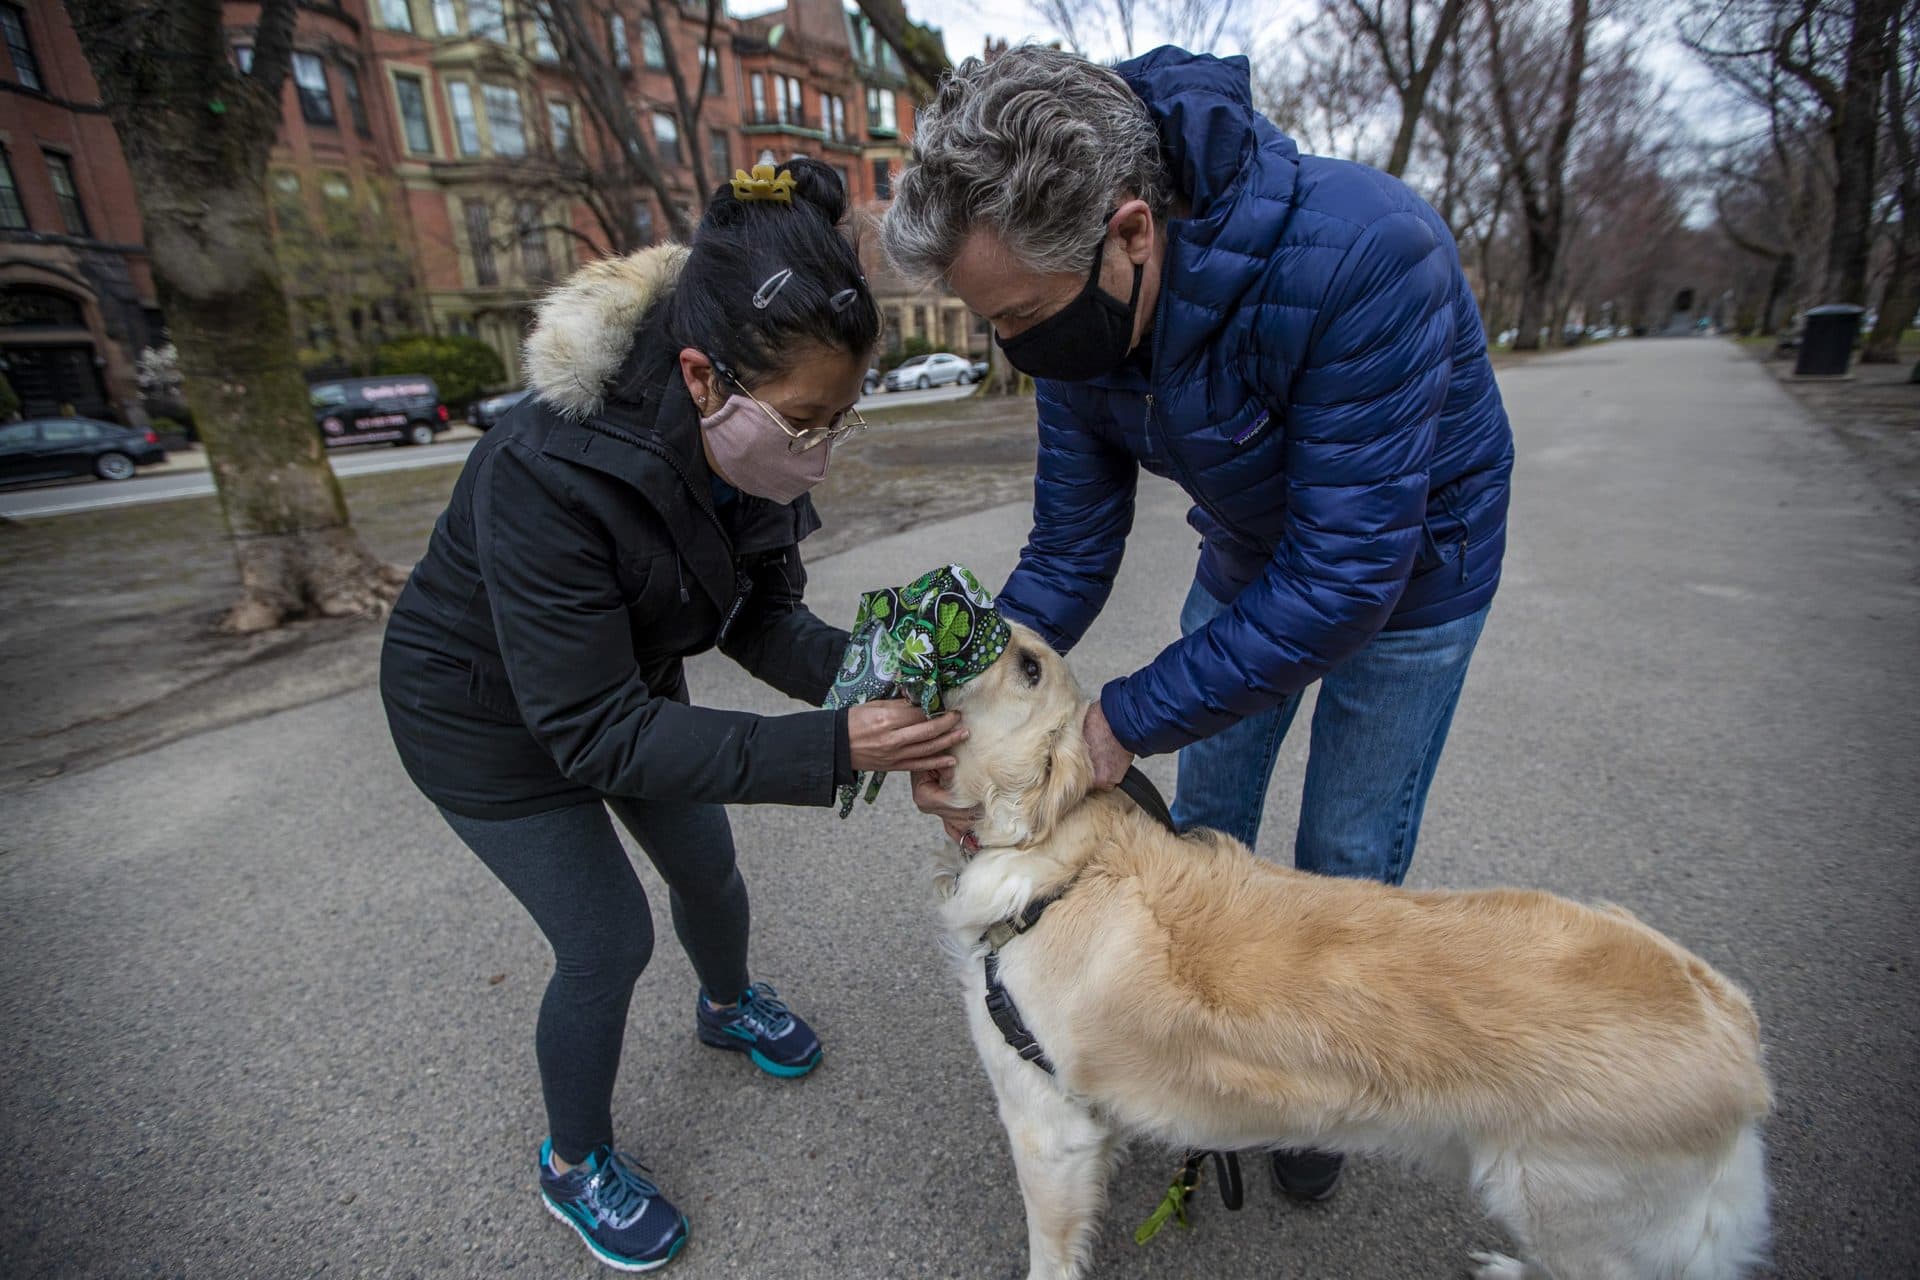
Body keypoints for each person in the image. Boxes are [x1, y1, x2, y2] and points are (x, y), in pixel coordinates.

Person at [885, 47, 1514, 1203]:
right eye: (993, 324)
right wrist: (962, 693)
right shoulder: (1070, 317)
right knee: (1203, 828)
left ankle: (1323, 1077)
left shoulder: (1371, 250)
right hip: (1250, 559)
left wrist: (1115, 721)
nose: (1014, 349)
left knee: (1344, 855)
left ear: (1132, 232)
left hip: (1414, 575)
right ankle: (1194, 1059)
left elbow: (1346, 573)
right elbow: (1071, 551)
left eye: (1022, 317)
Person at [380, 158, 966, 1272]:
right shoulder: (544, 470)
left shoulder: (754, 440)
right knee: (606, 938)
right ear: (702, 376)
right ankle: (573, 1159)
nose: (819, 450)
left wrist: (878, 677)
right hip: (479, 717)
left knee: (708, 863)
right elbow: (591, 731)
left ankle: (729, 1001)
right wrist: (833, 744)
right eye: (805, 422)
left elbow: (762, 618)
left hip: (618, 680)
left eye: (840, 419)